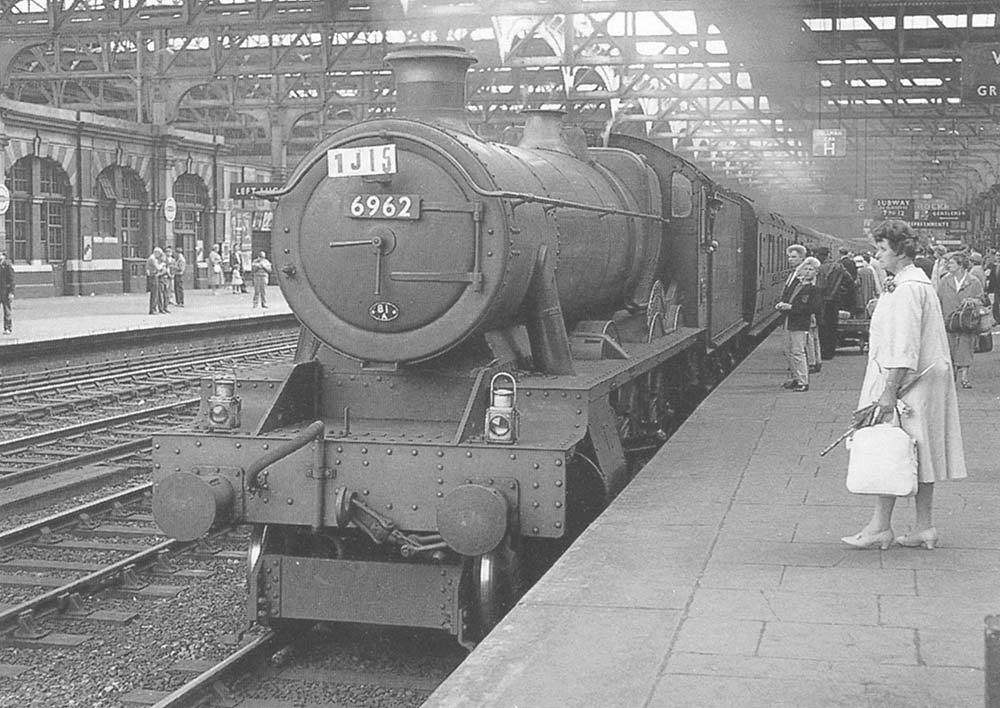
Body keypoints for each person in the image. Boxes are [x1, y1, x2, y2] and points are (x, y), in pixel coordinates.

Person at [842, 220, 966, 551]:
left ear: (900, 251)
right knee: (919, 453)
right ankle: (923, 527)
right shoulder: (916, 284)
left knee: (890, 448)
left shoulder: (906, 289)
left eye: (882, 248)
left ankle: (880, 527)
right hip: (924, 381)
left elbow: (903, 345)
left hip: (906, 383)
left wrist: (888, 391)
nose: (877, 255)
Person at [936, 251, 984, 389]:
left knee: (965, 346)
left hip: (966, 320)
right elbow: (938, 299)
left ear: (960, 265)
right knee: (949, 348)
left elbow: (981, 299)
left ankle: (964, 377)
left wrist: (972, 301)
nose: (948, 265)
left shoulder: (973, 281)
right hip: (949, 320)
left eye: (951, 263)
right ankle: (952, 376)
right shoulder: (945, 281)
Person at [776, 256, 822, 392]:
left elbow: (812, 308)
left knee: (798, 351)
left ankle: (803, 381)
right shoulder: (796, 284)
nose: (807, 272)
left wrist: (790, 307)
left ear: (816, 272)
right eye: (805, 269)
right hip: (788, 320)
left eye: (811, 269)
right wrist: (782, 304)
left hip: (800, 322)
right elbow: (787, 297)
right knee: (788, 350)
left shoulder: (814, 289)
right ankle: (796, 378)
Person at [815, 246, 850, 360]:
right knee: (832, 326)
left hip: (821, 301)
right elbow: (849, 280)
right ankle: (830, 351)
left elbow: (817, 286)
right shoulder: (839, 266)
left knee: (822, 326)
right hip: (834, 300)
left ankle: (822, 351)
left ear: (820, 256)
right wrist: (841, 291)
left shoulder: (819, 268)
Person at [146, 247, 169, 314]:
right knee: (154, 294)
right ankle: (152, 309)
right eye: (159, 254)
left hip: (154, 276)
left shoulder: (154, 258)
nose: (159, 256)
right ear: (156, 252)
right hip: (153, 276)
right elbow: (158, 268)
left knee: (156, 293)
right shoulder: (152, 259)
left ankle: (154, 308)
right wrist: (162, 264)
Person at [0, 250, 14, 334]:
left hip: (6, 292)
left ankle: (8, 328)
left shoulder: (7, 266)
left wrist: (11, 293)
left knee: (7, 311)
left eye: (1, 255)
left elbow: (12, 280)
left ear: (4, 256)